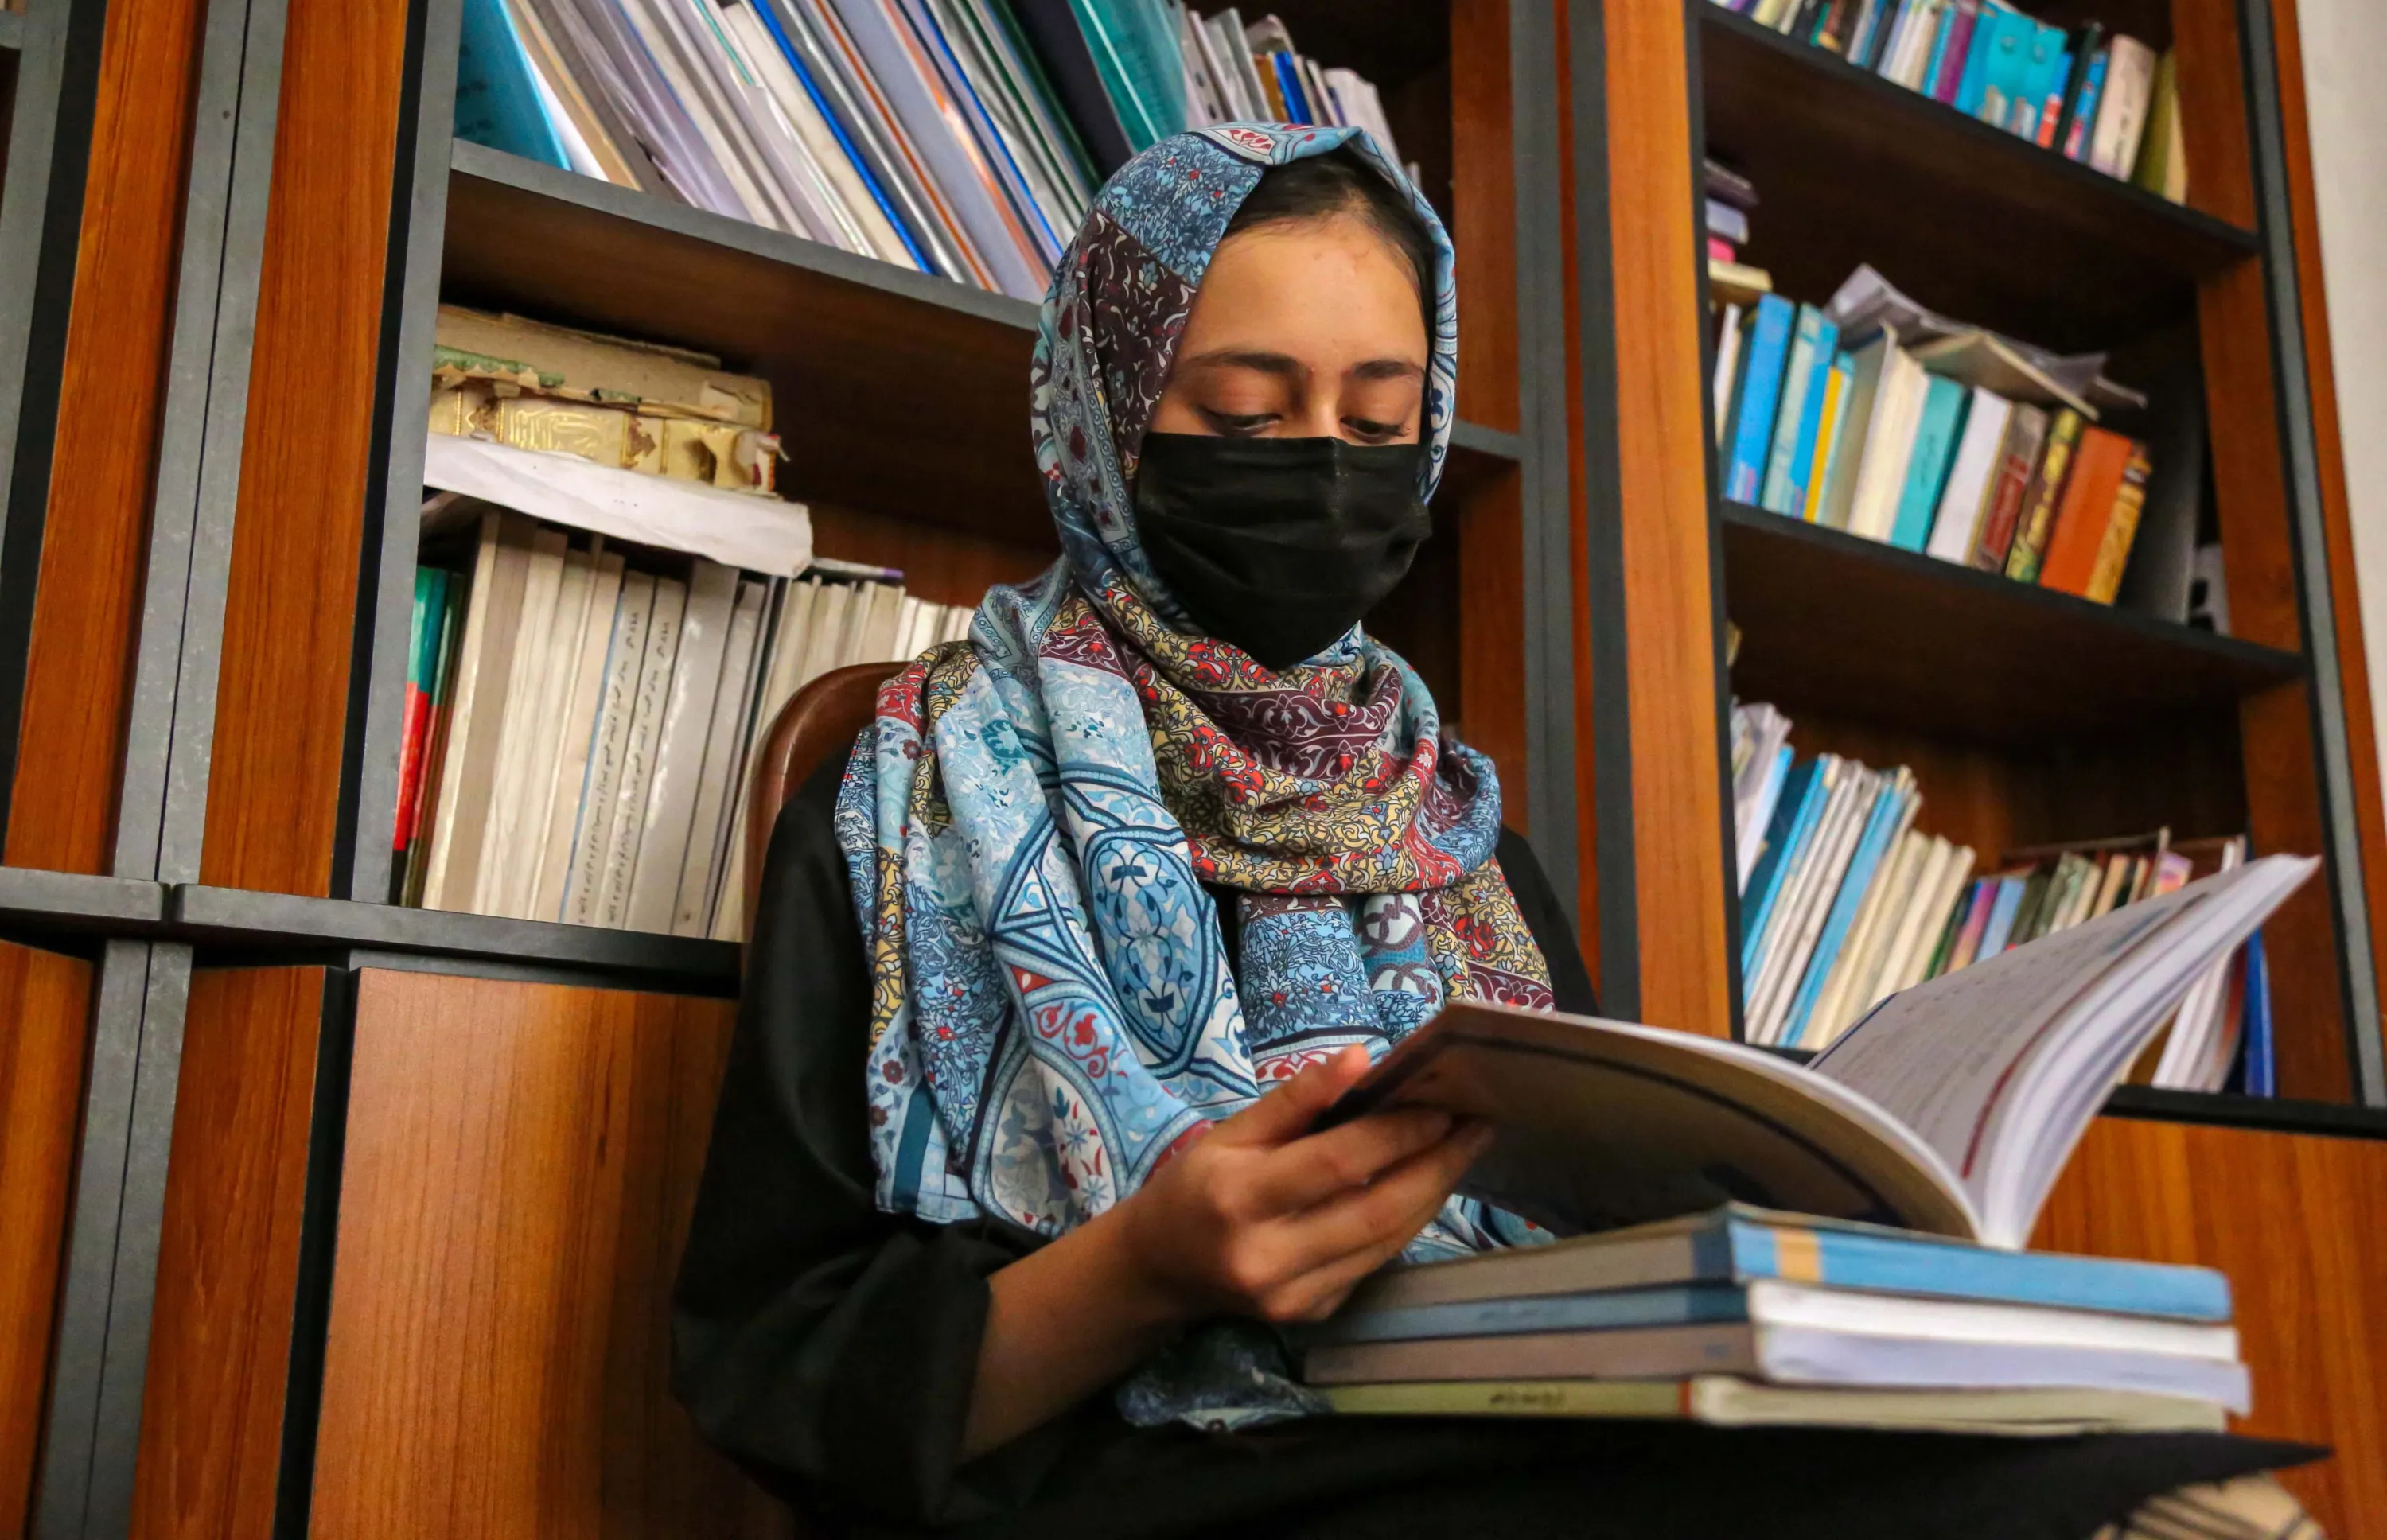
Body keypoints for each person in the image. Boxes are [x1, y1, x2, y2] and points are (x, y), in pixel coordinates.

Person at [673, 124, 2321, 1538]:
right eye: (1244, 417)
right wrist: (1150, 1269)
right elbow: (778, 1365)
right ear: (1101, 417)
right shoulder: (910, 794)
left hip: (1515, 1436)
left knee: (2104, 1475)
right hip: (1135, 1494)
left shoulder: (1449, 830)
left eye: (1380, 423)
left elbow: (1585, 1226)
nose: (1324, 471)